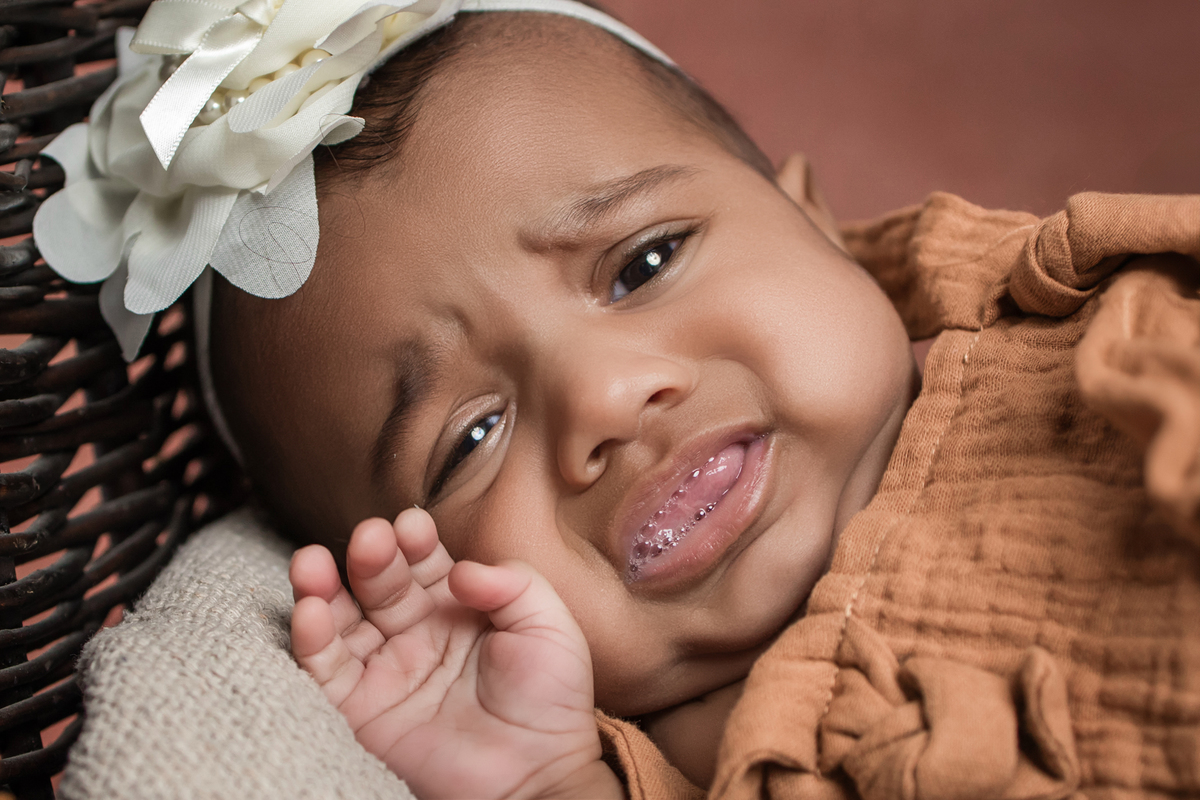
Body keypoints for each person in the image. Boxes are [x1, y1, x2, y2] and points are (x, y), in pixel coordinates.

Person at [33, 1, 1200, 798]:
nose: (600, 399)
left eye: (641, 262)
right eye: (470, 438)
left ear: (809, 214)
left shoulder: (1075, 321)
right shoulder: (638, 752)